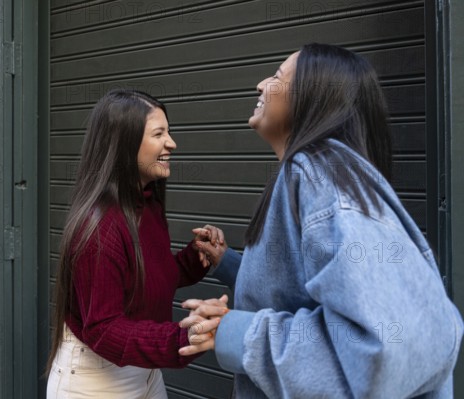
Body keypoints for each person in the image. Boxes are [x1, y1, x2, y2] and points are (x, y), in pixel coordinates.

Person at [178, 43, 464, 398]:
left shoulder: (318, 172)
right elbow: (303, 290)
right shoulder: (317, 175)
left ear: (311, 98)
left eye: (277, 76)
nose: (261, 85)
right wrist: (229, 263)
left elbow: (387, 347)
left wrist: (236, 332)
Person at [46, 89, 225, 399]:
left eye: (169, 132)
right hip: (96, 380)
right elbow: (104, 328)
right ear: (124, 145)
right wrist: (182, 337)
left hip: (142, 371)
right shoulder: (100, 226)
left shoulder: (147, 205)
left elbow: (144, 276)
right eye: (159, 134)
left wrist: (196, 257)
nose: (172, 143)